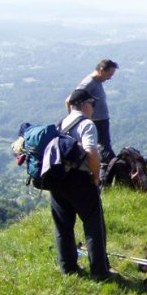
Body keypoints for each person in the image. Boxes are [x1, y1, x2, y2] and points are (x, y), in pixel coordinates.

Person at [51, 88, 113, 280]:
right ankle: (99, 272)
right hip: (80, 180)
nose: (93, 108)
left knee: (63, 226)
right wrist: (96, 176)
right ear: (85, 105)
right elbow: (91, 153)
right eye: (92, 104)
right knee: (94, 225)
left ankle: (68, 268)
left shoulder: (60, 123)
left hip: (57, 180)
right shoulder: (86, 124)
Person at [67, 59, 119, 165]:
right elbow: (70, 100)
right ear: (101, 70)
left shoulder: (97, 81)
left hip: (101, 121)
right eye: (109, 74)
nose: (110, 78)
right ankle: (111, 172)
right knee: (104, 149)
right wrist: (74, 119)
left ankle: (112, 171)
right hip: (97, 122)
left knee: (105, 148)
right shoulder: (89, 82)